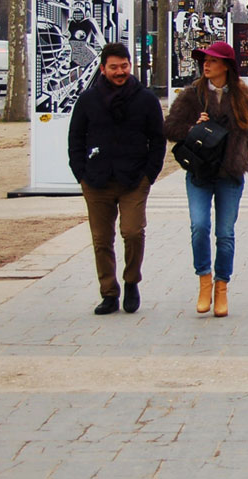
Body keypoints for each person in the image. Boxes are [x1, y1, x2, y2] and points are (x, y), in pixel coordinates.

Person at [164, 42, 248, 317]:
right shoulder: (192, 95)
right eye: (204, 60)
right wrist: (192, 128)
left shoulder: (246, 97)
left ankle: (221, 287)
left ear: (226, 66)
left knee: (225, 233)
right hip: (200, 172)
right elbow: (170, 128)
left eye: (212, 60)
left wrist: (246, 155)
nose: (206, 65)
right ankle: (204, 281)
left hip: (230, 175)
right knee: (199, 226)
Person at [68, 42, 165, 315]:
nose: (120, 71)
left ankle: (131, 281)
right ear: (103, 68)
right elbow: (75, 137)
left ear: (130, 66)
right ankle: (109, 292)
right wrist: (81, 174)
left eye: (124, 66)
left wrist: (149, 175)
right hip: (96, 180)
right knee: (101, 239)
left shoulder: (145, 99)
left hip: (134, 180)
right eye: (114, 67)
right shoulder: (88, 100)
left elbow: (157, 140)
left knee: (132, 232)